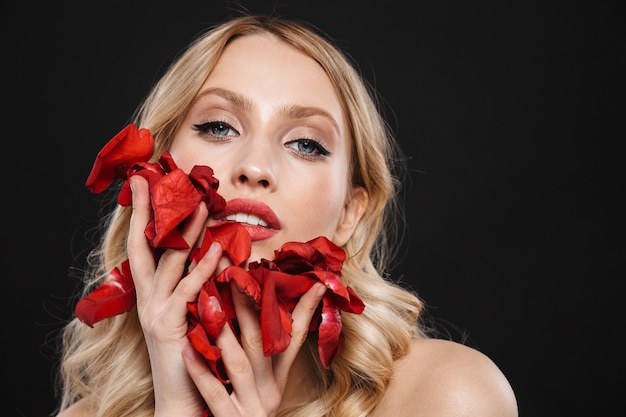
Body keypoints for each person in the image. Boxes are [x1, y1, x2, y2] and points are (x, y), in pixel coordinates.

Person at [54, 14, 518, 417]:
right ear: (152, 172)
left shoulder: (447, 395)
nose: (255, 167)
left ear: (350, 214)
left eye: (306, 144)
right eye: (219, 127)